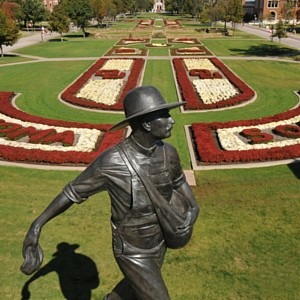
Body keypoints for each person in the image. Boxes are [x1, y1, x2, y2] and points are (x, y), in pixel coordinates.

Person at [21, 86, 200, 300]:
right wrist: (37, 225)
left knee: (134, 289)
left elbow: (187, 195)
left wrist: (190, 217)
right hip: (132, 249)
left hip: (160, 241)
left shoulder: (169, 154)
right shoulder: (112, 162)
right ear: (146, 124)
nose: (171, 120)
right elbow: (72, 192)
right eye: (164, 115)